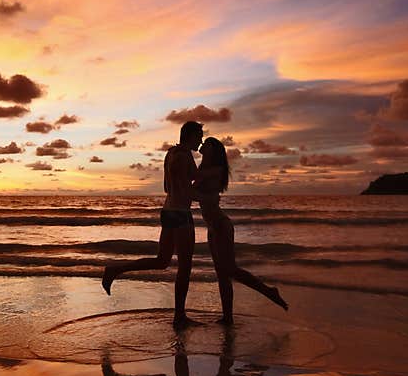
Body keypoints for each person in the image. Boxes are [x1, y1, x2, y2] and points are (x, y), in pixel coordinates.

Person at [102, 120, 203, 328]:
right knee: (184, 267)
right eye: (199, 136)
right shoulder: (184, 157)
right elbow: (190, 188)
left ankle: (115, 270)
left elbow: (168, 187)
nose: (201, 140)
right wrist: (206, 197)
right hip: (181, 214)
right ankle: (179, 317)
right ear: (190, 135)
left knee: (162, 261)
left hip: (167, 211)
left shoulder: (171, 154)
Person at [194, 137, 288, 323]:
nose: (202, 144)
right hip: (212, 227)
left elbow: (193, 188)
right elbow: (195, 192)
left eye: (207, 143)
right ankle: (227, 317)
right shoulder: (203, 169)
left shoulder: (215, 170)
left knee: (230, 269)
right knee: (222, 275)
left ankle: (268, 290)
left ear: (214, 150)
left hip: (221, 225)